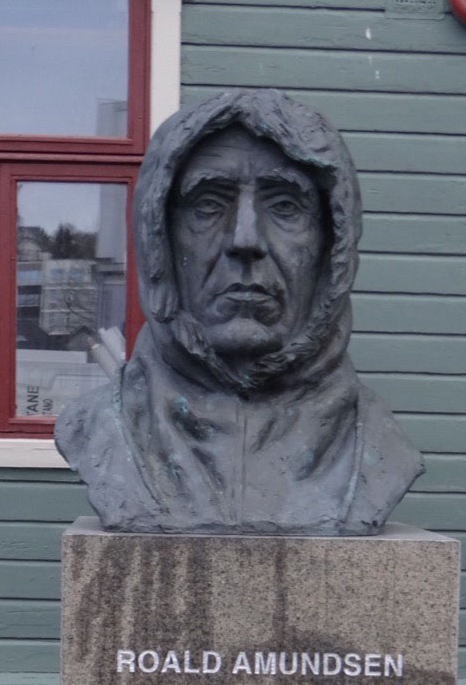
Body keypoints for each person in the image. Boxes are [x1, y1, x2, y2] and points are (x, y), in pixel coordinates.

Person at [55, 88, 423, 534]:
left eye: (285, 206)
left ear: (333, 246)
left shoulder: (380, 449)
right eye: (209, 204)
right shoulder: (100, 428)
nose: (244, 239)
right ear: (160, 241)